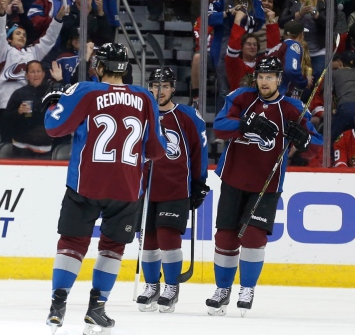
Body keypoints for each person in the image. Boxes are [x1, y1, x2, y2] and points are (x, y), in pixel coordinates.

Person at [42, 43, 167, 335]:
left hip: (85, 184)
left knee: (72, 244)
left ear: (99, 66)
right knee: (112, 248)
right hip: (126, 188)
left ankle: (57, 307)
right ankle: (96, 309)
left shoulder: (87, 90)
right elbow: (156, 151)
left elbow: (54, 127)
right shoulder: (145, 97)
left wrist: (53, 102)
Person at [207, 57, 322, 317]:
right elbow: (220, 127)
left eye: (270, 76)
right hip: (234, 178)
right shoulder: (241, 97)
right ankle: (222, 289)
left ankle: (247, 289)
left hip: (267, 184)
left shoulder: (292, 107)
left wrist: (303, 140)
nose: (264, 81)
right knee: (225, 236)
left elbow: (316, 146)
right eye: (261, 76)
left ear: (279, 79)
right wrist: (244, 123)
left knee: (253, 237)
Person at [135, 68, 209, 314]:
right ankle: (151, 285)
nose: (159, 91)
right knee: (148, 242)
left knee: (168, 239)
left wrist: (199, 182)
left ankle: (171, 287)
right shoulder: (141, 115)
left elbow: (199, 151)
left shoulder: (187, 116)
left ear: (173, 89)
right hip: (145, 189)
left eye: (165, 86)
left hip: (176, 187)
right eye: (155, 85)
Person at [0, 0, 65, 141]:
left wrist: (58, 19)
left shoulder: (33, 52)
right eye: (18, 33)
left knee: (26, 138)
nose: (22, 36)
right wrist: (1, 15)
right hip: (6, 104)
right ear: (9, 39)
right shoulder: (3, 51)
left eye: (24, 35)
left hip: (28, 103)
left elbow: (49, 39)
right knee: (7, 142)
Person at [4, 60, 54, 158]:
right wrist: (18, 112)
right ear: (26, 75)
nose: (36, 75)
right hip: (21, 146)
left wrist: (60, 80)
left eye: (38, 71)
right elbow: (6, 119)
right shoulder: (19, 94)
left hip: (44, 146)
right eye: (32, 72)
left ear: (43, 74)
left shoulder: (51, 92)